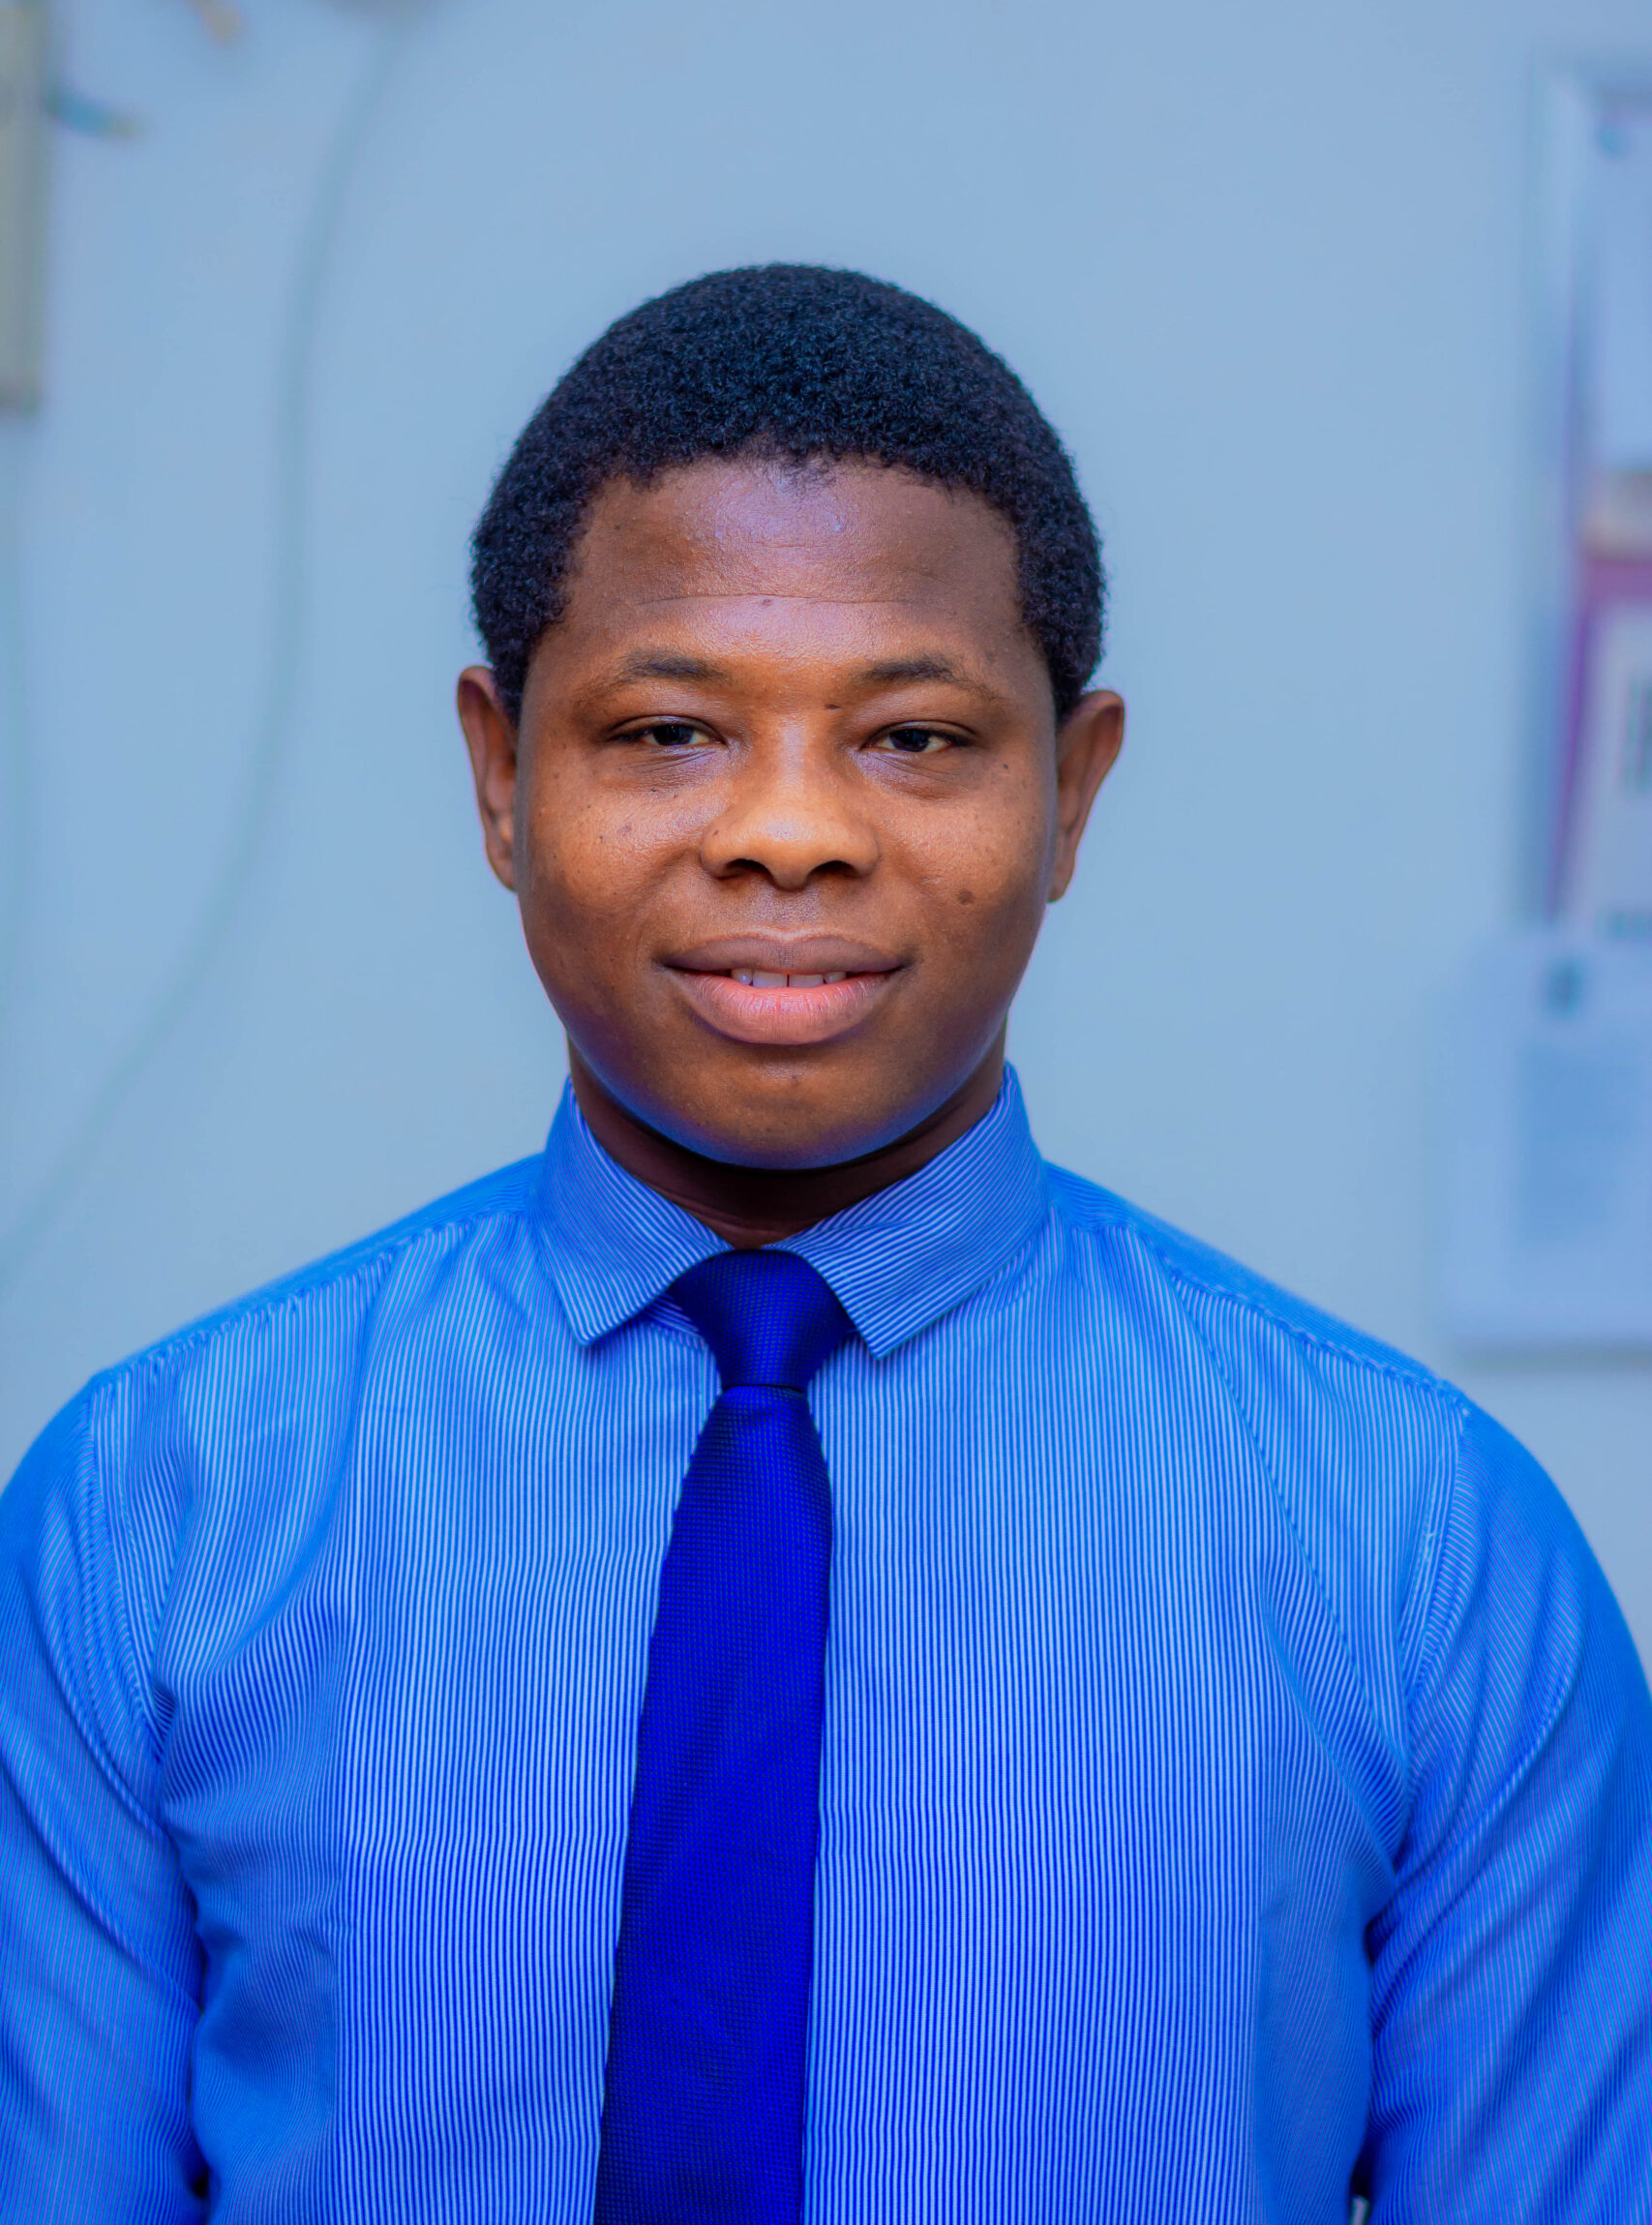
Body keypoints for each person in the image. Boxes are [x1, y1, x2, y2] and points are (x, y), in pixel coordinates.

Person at [1, 265, 1647, 2223]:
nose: (789, 832)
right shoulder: (158, 1507)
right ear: (499, 774)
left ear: (1072, 791)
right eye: (669, 728)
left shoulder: (1420, 1545)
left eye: (915, 739)